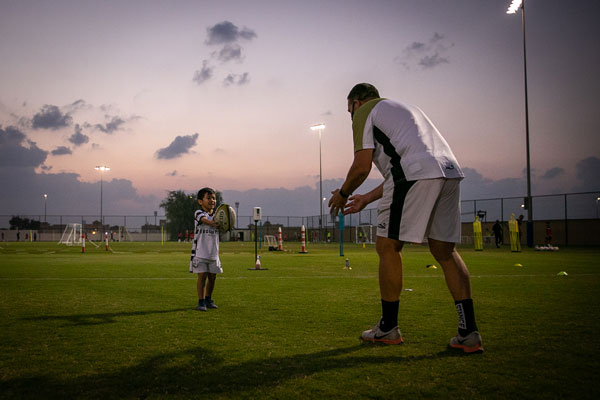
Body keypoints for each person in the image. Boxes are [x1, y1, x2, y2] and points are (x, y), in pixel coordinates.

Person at [329, 83, 482, 353]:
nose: (350, 117)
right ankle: (468, 332)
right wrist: (365, 198)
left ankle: (388, 328)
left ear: (356, 102)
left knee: (388, 245)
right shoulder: (406, 108)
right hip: (448, 170)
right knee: (445, 251)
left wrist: (344, 193)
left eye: (349, 110)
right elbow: (403, 170)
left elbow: (362, 167)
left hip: (416, 174)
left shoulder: (365, 111)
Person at [189, 187, 222, 311]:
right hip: (200, 252)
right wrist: (212, 223)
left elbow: (223, 227)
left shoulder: (218, 215)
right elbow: (203, 220)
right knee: (202, 276)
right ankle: (201, 301)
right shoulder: (199, 213)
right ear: (200, 201)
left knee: (212, 277)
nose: (212, 200)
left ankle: (208, 299)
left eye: (213, 198)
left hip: (213, 252)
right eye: (208, 198)